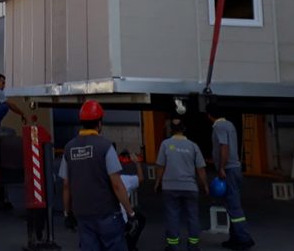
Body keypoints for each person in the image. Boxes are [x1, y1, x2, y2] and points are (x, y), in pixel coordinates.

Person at [60, 100, 138, 251]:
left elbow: (66, 185)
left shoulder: (68, 148)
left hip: (82, 214)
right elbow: (116, 184)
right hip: (106, 213)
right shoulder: (105, 147)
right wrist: (130, 213)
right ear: (100, 123)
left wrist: (67, 213)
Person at [154, 119, 208, 251]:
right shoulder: (193, 146)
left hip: (170, 187)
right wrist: (205, 185)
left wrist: (157, 182)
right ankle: (193, 245)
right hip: (190, 187)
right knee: (192, 216)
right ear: (184, 129)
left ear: (171, 130)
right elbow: (200, 168)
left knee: (172, 216)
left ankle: (173, 246)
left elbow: (160, 166)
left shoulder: (165, 144)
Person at [208, 104, 255, 250]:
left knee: (234, 206)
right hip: (235, 169)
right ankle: (234, 238)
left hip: (229, 169)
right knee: (231, 203)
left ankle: (244, 238)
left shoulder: (219, 126)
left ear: (209, 115)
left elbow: (224, 146)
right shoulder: (229, 124)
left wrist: (221, 167)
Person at [117, 148, 146, 251]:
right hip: (120, 217)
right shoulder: (126, 179)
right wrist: (137, 163)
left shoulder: (107, 178)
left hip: (104, 215)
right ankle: (130, 246)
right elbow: (141, 178)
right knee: (140, 219)